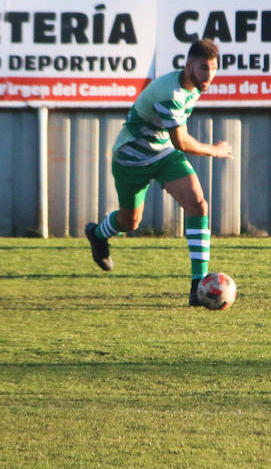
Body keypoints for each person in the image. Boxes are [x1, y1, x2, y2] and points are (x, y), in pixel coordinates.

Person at [84, 38, 233, 306]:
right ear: (188, 65)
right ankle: (97, 234)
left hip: (163, 154)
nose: (209, 75)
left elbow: (174, 142)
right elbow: (182, 142)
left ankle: (197, 285)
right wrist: (214, 150)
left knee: (198, 205)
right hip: (131, 157)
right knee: (130, 222)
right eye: (203, 68)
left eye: (212, 68)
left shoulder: (195, 85)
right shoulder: (170, 93)